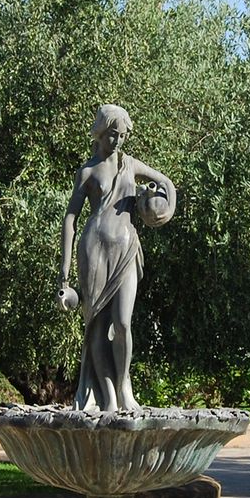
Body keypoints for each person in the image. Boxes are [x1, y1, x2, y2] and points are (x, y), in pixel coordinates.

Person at [58, 103, 176, 413]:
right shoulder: (87, 171)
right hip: (93, 251)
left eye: (122, 136)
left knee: (123, 322)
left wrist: (164, 211)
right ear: (100, 132)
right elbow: (70, 219)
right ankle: (108, 396)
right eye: (113, 135)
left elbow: (167, 183)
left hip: (126, 249)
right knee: (96, 327)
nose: (118, 142)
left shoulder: (131, 164)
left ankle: (125, 388)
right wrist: (64, 276)